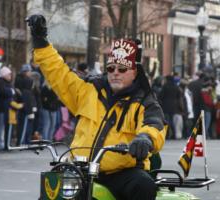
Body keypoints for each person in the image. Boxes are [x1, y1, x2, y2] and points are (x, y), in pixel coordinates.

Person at [26, 15, 167, 200]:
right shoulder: (89, 90)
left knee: (143, 185)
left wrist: (144, 138)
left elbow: (155, 124)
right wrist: (40, 41)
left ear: (135, 72)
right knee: (52, 194)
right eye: (111, 68)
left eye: (122, 69)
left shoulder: (144, 101)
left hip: (120, 173)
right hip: (80, 169)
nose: (115, 73)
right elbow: (58, 73)